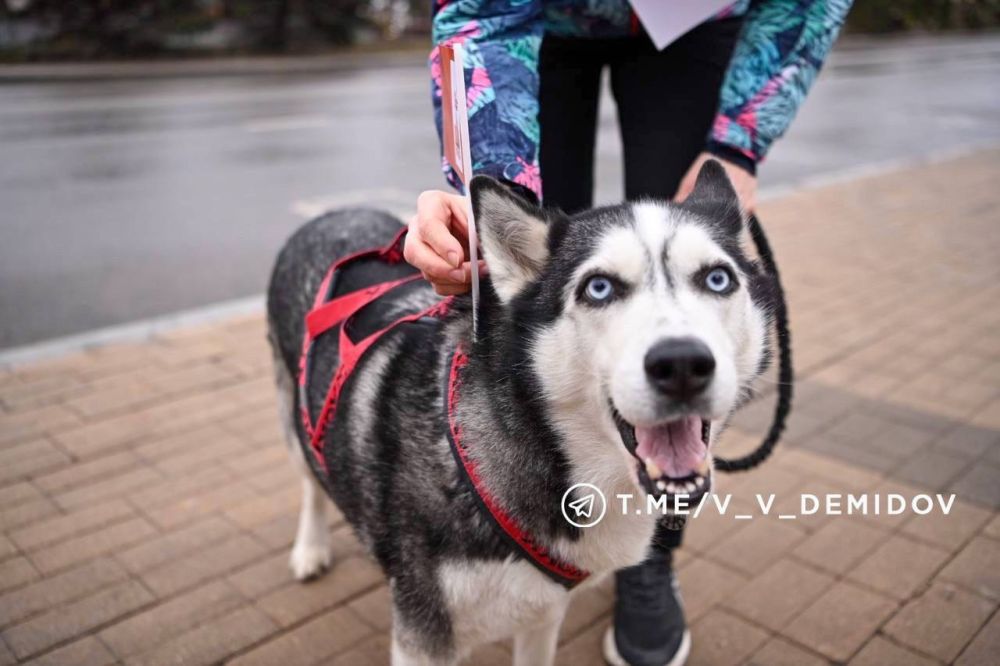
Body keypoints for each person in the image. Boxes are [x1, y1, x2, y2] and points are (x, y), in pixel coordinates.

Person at [405, 2, 852, 664]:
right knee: (529, 296)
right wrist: (487, 197)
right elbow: (483, 11)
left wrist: (737, 143)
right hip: (534, 21)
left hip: (692, 26)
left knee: (682, 253)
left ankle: (649, 549)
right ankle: (531, 517)